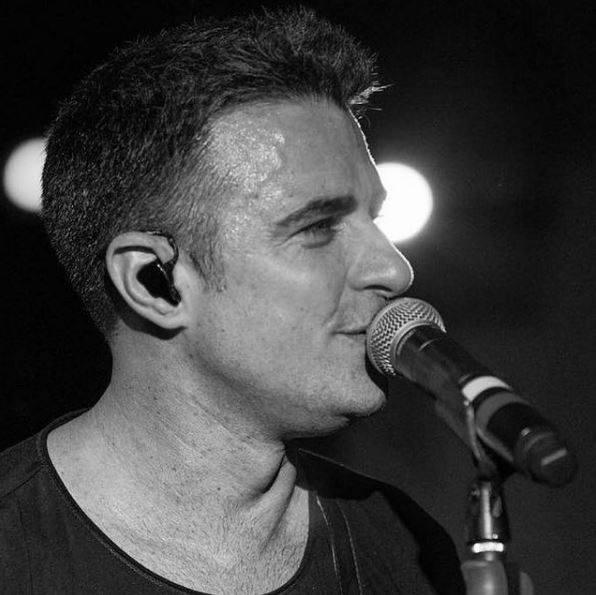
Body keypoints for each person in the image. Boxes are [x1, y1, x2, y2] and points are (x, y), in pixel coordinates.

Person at [0, 7, 465, 593]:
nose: (394, 269)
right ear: (153, 282)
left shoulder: (408, 550)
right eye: (317, 226)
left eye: (375, 218)